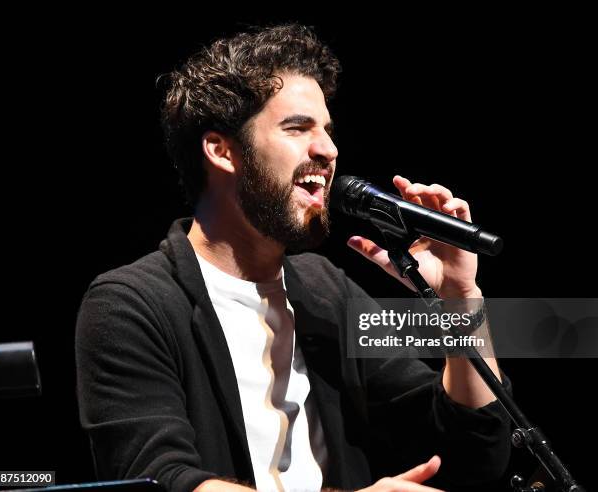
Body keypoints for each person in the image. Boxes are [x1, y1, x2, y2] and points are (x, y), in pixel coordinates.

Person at [75, 24, 511, 492]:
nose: (328, 149)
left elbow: (473, 452)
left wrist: (460, 297)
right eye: (297, 128)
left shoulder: (324, 289)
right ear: (222, 151)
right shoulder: (129, 304)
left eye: (327, 129)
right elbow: (158, 481)